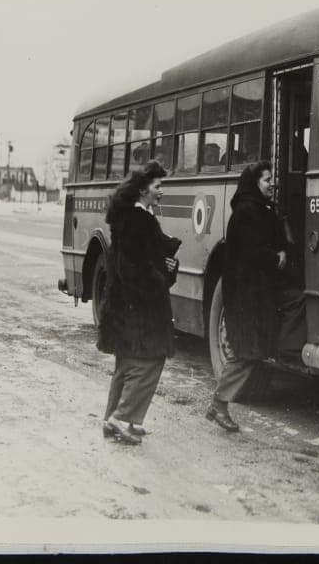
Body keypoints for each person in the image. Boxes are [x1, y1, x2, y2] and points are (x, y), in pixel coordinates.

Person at [97, 161, 179, 445]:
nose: (161, 192)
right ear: (144, 189)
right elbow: (134, 268)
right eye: (158, 186)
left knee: (127, 362)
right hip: (140, 308)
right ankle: (122, 417)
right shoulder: (137, 220)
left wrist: (165, 267)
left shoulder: (131, 217)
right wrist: (162, 275)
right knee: (149, 360)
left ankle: (114, 419)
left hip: (124, 307)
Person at [206, 161, 286, 432]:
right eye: (266, 180)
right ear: (254, 183)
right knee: (245, 352)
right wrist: (276, 257)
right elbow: (252, 252)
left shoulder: (258, 209)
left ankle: (219, 404)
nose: (272, 183)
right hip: (245, 296)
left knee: (249, 351)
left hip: (253, 294)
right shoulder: (247, 212)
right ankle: (218, 404)